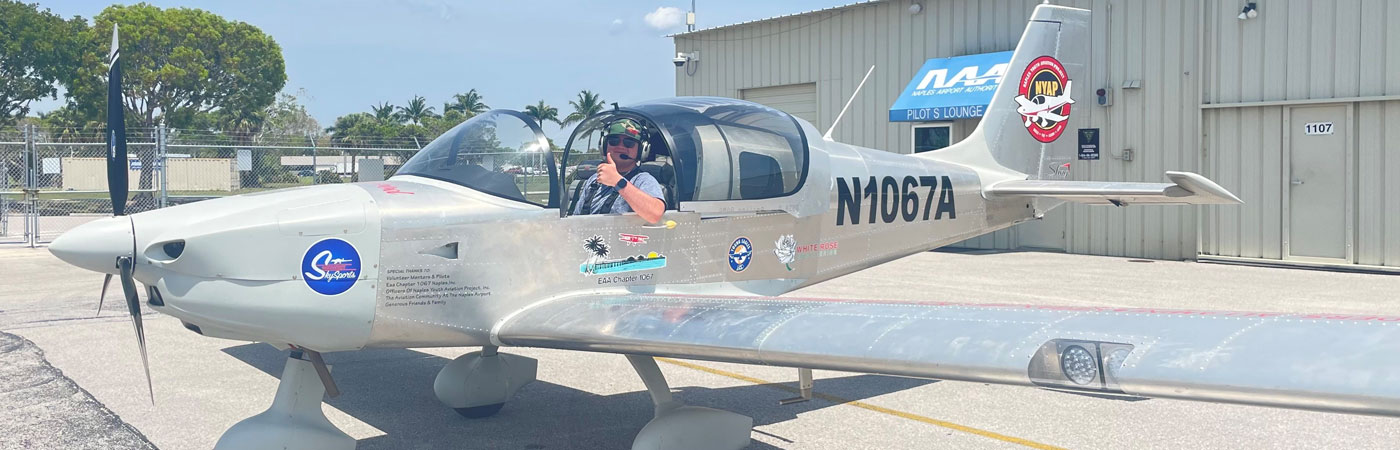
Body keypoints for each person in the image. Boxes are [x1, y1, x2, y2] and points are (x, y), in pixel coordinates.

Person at [570, 119, 665, 223]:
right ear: (604, 145)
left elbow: (656, 214)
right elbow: (576, 220)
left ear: (642, 150)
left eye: (628, 143)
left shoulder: (643, 180)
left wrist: (617, 181)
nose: (620, 146)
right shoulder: (594, 180)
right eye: (613, 141)